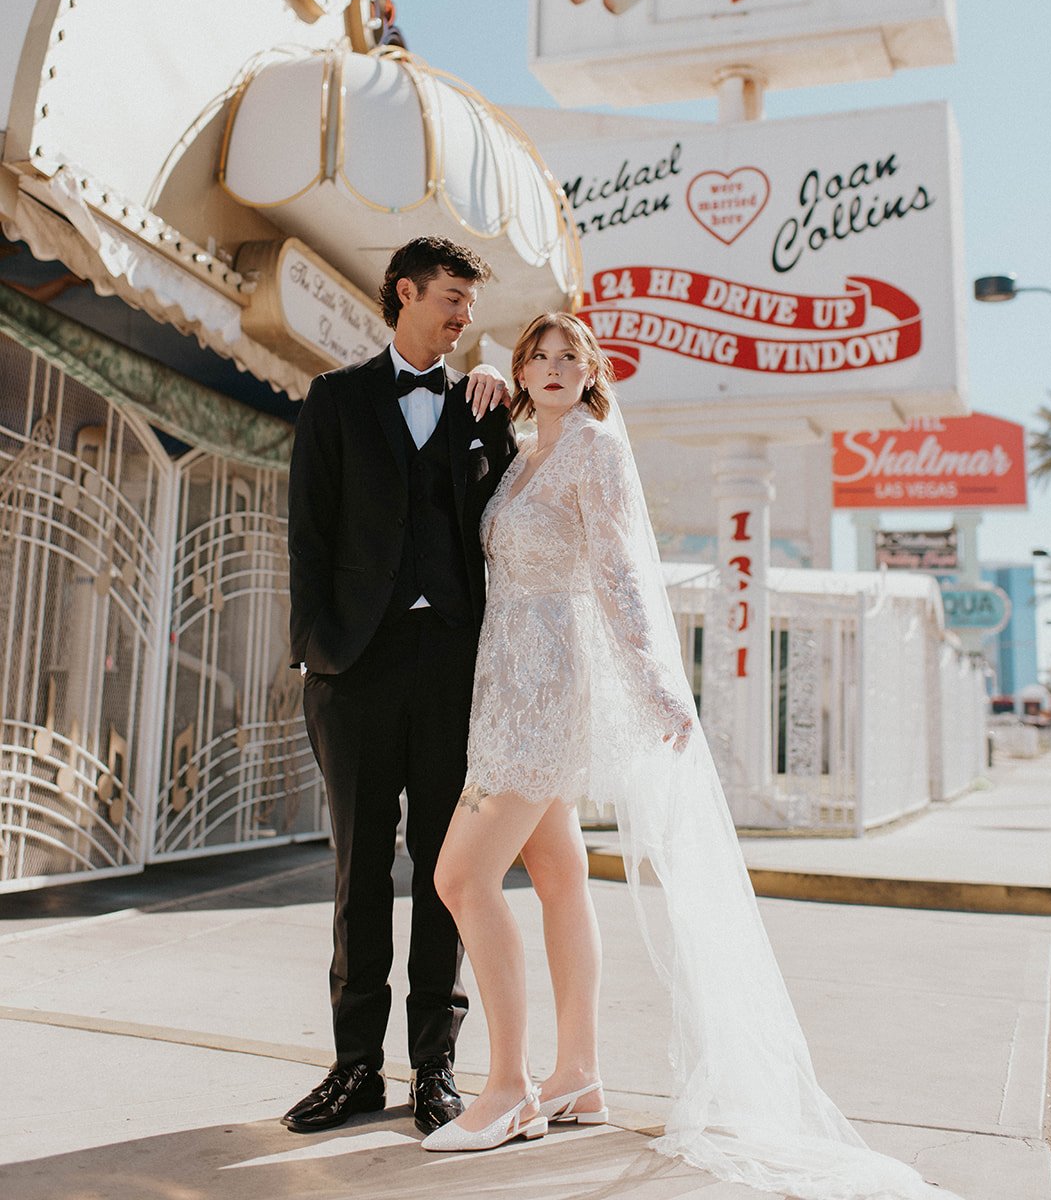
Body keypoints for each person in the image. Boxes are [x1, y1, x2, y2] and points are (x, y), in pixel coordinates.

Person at [421, 312, 962, 1200]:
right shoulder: (525, 449)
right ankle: (581, 1075)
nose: (554, 369)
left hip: (545, 689)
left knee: (460, 877)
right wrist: (480, 371)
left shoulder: (594, 447)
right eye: (538, 357)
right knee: (558, 872)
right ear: (522, 370)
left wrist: (658, 686)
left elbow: (621, 574)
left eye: (570, 358)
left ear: (591, 372)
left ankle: (509, 1088)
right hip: (504, 680)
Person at [282, 236, 515, 1138]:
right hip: (357, 670)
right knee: (357, 873)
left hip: (455, 667)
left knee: (447, 878)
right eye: (452, 298)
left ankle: (436, 1068)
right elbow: (307, 533)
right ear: (407, 294)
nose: (463, 317)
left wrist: (496, 384)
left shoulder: (480, 403)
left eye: (470, 304)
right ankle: (353, 1070)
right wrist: (317, 652)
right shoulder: (336, 400)